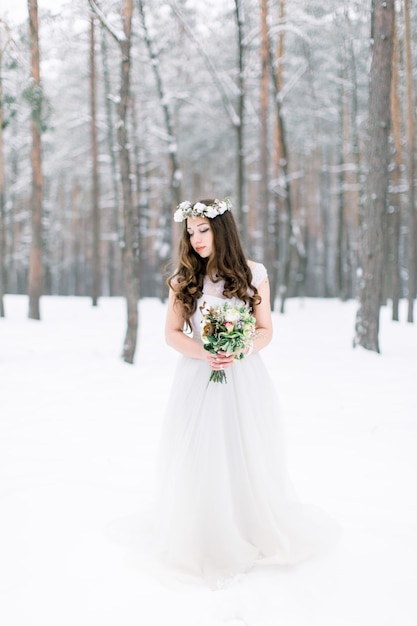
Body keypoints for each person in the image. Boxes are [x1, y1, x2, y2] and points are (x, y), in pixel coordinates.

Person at [153, 197, 338, 588]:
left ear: (221, 229)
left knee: (244, 448)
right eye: (190, 232)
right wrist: (205, 352)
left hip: (243, 378)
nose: (196, 239)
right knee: (203, 453)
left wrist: (239, 348)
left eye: (203, 230)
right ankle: (204, 531)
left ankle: (248, 526)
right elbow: (171, 335)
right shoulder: (185, 278)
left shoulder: (254, 274)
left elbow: (265, 330)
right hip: (197, 378)